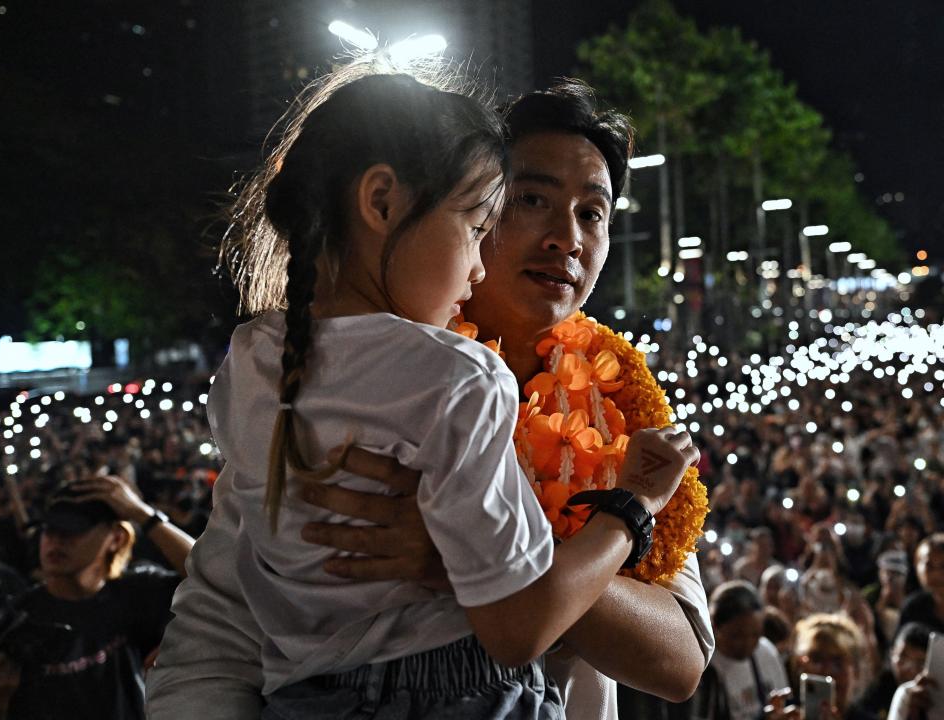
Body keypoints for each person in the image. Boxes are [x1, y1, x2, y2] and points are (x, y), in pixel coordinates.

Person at [146, 68, 712, 719]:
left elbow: (681, 661)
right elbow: (217, 633)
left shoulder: (617, 413)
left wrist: (456, 563)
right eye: (528, 200)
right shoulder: (339, 387)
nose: (568, 237)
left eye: (593, 213)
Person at [0, 475, 194, 720]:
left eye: (73, 529)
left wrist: (142, 514)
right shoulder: (17, 620)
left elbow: (213, 575)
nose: (56, 539)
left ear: (115, 539)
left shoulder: (134, 592)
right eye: (49, 528)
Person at [685, 580, 789, 720]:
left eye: (755, 635)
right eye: (737, 636)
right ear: (714, 627)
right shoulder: (701, 667)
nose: (748, 643)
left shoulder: (766, 652)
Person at [855, 622, 931, 720]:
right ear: (891, 654)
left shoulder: (932, 699)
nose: (908, 668)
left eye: (920, 662)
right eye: (902, 657)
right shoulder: (877, 689)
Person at [898, 533, 944, 635]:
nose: (937, 574)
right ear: (916, 565)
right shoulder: (913, 607)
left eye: (943, 567)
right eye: (929, 566)